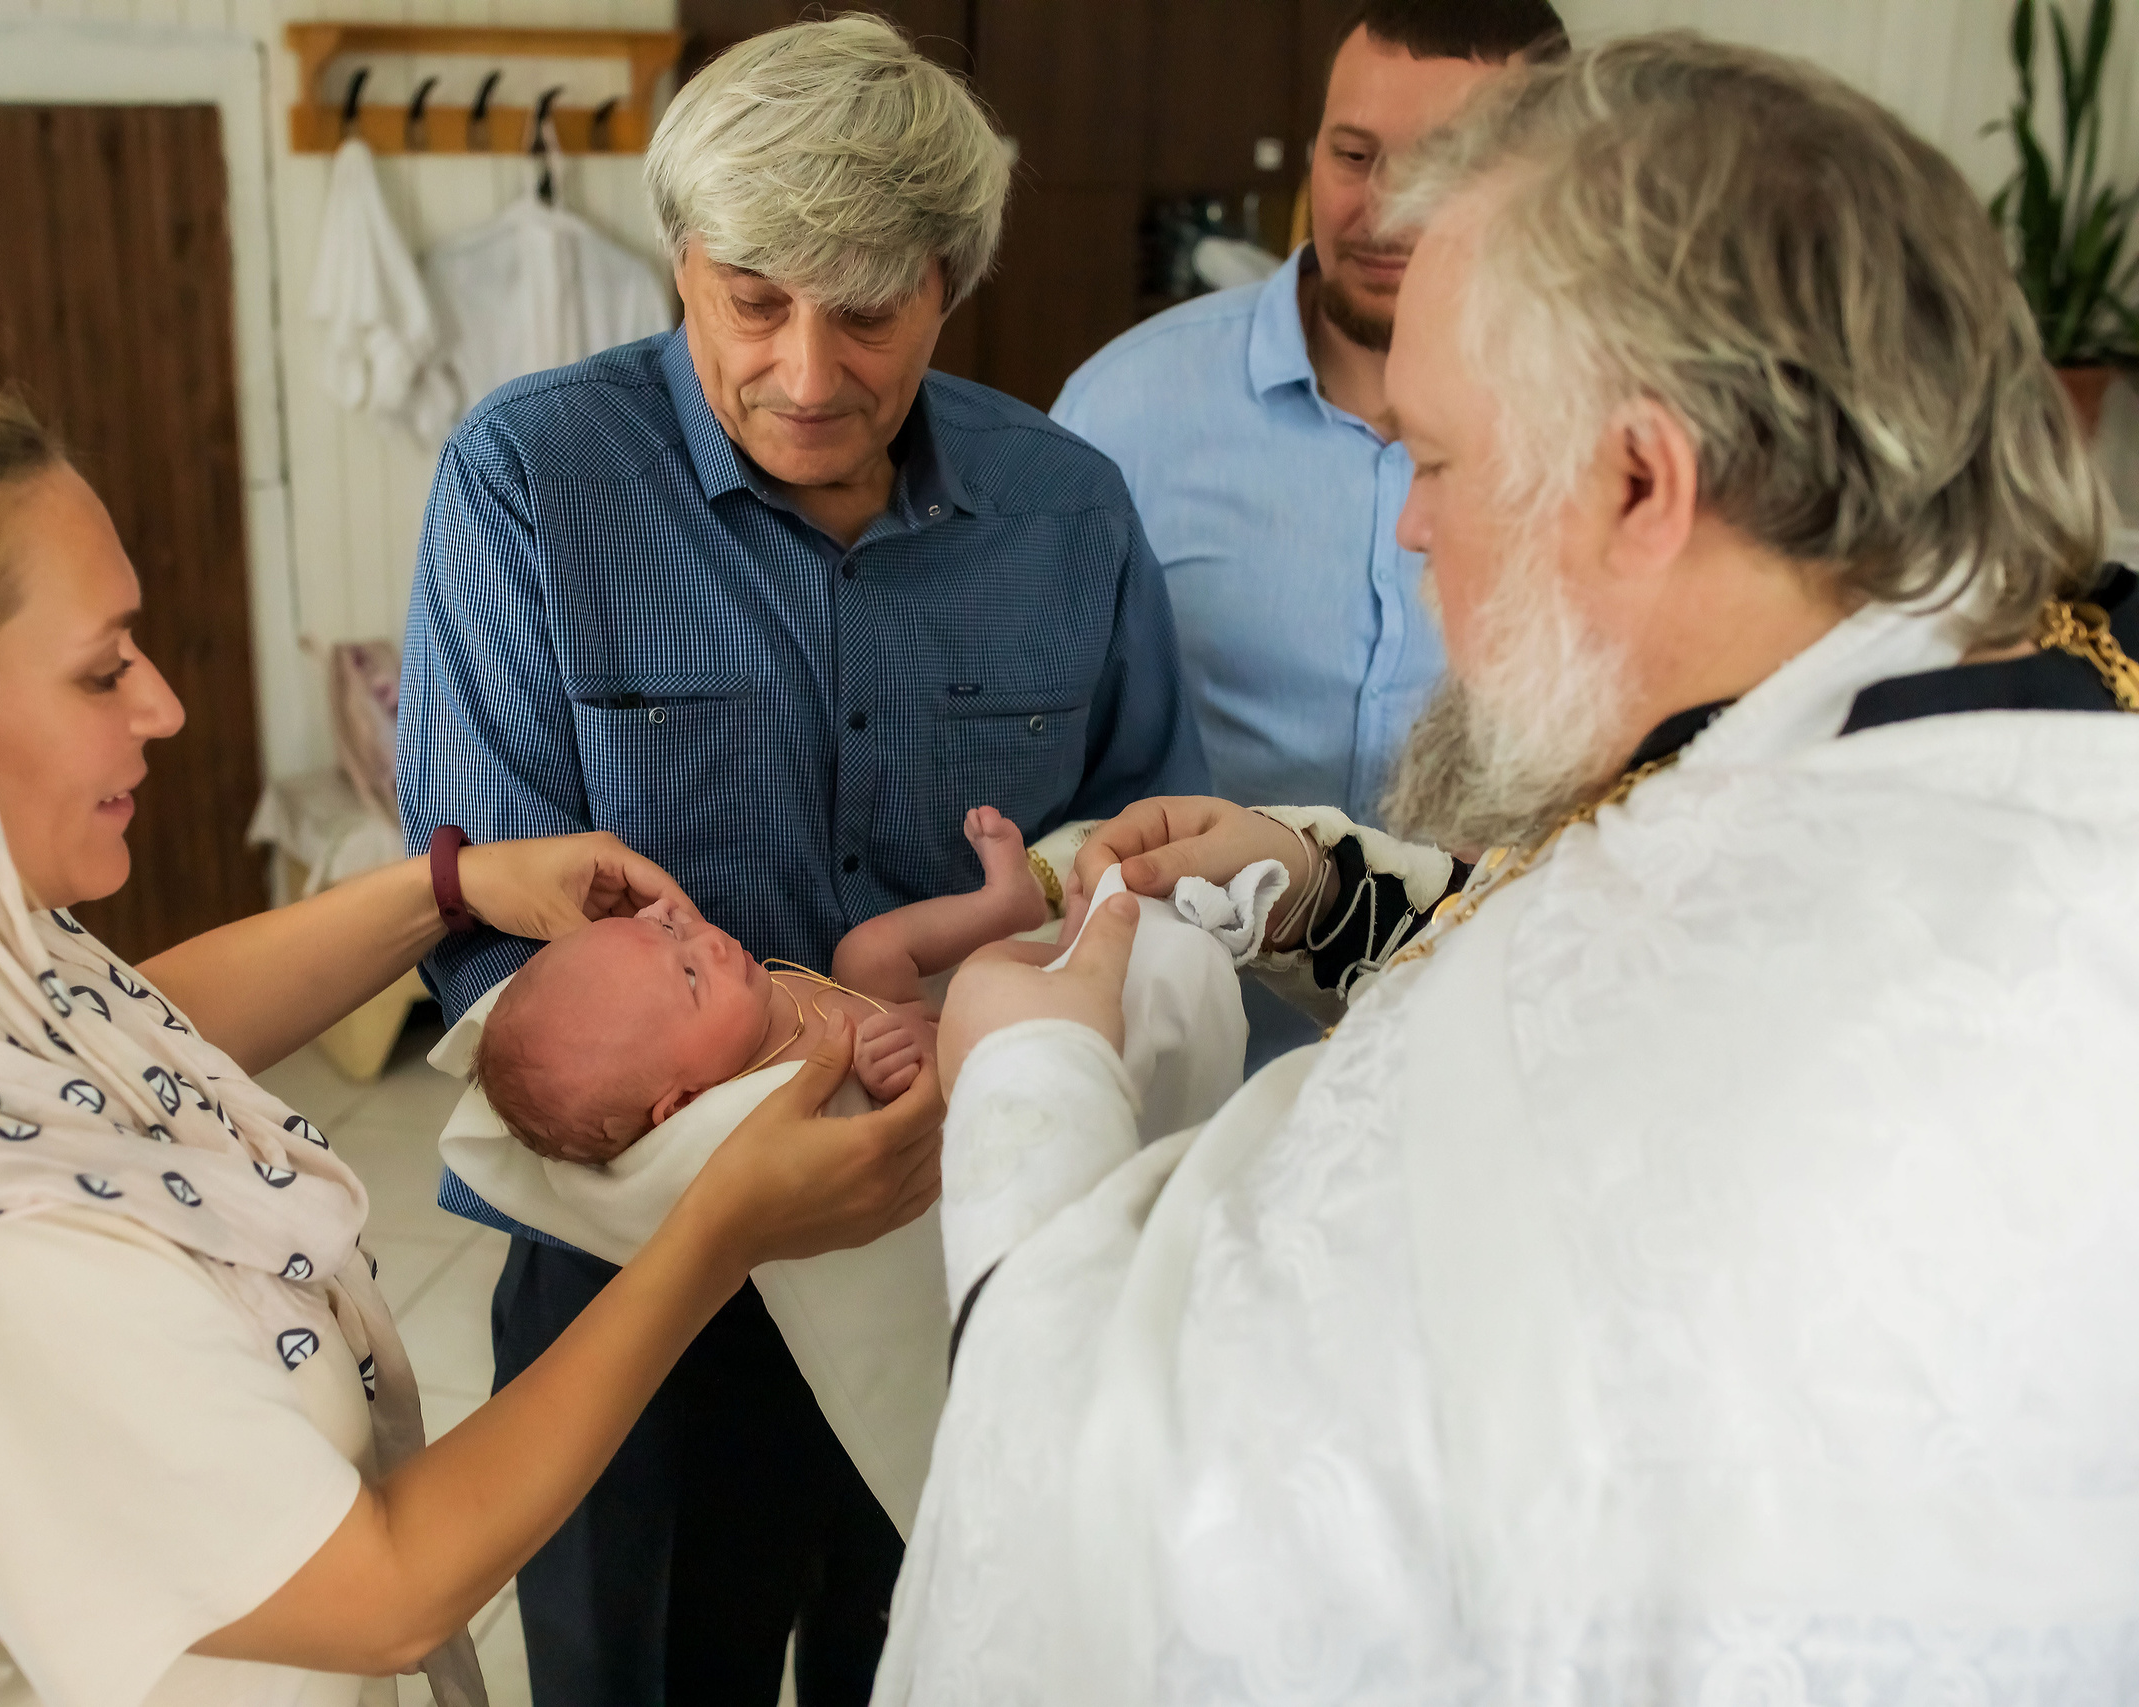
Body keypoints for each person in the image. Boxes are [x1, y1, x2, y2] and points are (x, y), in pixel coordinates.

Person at [884, 33, 2139, 1703]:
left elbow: (1147, 1540)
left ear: (1637, 479)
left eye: (1440, 461)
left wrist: (1028, 1083)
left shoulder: (1632, 1032)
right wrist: (1327, 894)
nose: (1411, 526)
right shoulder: (2008, 701)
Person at [0, 372, 941, 1705]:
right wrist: (719, 1228)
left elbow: (120, 1025)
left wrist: (447, 886)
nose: (164, 704)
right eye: (102, 665)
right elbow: (386, 1583)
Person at [396, 18, 1204, 1704]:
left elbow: (1149, 856)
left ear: (951, 284)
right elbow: (485, 947)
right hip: (644, 1291)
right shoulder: (532, 485)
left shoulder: (1069, 518)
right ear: (677, 261)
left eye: (872, 310)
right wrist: (759, 1152)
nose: (809, 372)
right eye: (753, 298)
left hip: (972, 1261)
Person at [1053, 0, 1566, 822]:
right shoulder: (1127, 408)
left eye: (1441, 167)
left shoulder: (1606, 430)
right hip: (1187, 947)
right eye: (1353, 154)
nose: (1383, 210)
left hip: (1498, 942)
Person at [479, 807, 1051, 1159]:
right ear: (685, 1104)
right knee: (977, 991)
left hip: (882, 1001)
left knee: (865, 952)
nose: (711, 942)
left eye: (669, 928)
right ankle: (1062, 958)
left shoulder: (732, 1027)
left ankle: (1005, 904)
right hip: (938, 1068)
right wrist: (889, 1080)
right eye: (690, 975)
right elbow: (870, 1156)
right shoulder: (773, 1102)